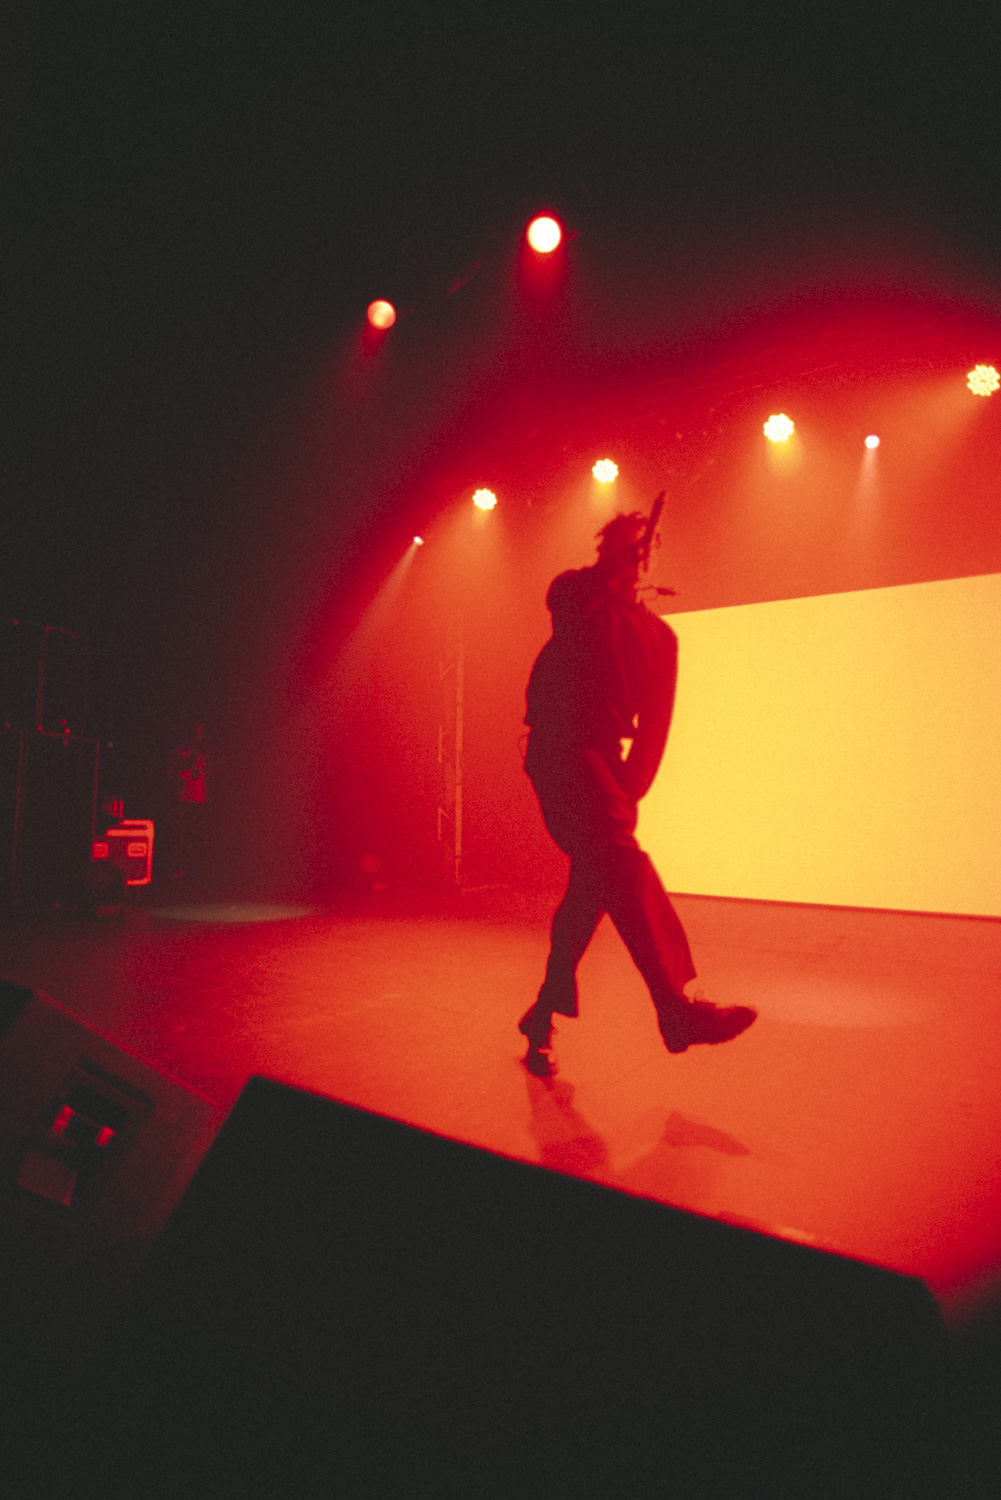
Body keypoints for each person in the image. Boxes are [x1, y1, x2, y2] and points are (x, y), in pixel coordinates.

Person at [519, 508, 756, 1076]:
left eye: (640, 551)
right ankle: (674, 1008)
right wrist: (612, 564)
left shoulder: (661, 637)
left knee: (594, 886)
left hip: (606, 764)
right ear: (605, 553)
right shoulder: (576, 596)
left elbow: (654, 728)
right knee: (614, 862)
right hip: (559, 749)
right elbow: (569, 597)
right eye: (622, 549)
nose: (632, 559)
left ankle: (540, 1017)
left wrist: (627, 794)